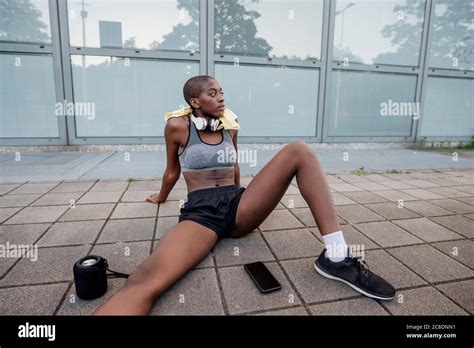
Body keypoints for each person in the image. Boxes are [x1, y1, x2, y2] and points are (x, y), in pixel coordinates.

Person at [93, 75, 395, 315]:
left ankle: (337, 256)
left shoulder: (230, 127)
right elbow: (172, 170)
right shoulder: (176, 127)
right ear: (194, 101)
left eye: (221, 91)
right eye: (212, 93)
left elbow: (234, 164)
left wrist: (247, 198)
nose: (221, 96)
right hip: (201, 215)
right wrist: (161, 197)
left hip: (238, 206)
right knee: (146, 282)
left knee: (299, 150)